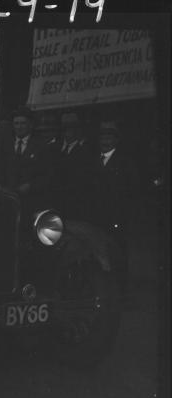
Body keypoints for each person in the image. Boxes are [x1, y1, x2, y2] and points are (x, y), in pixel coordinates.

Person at [90, 120, 139, 292]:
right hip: (96, 217)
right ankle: (102, 289)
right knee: (97, 252)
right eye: (103, 136)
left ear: (116, 140)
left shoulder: (125, 162)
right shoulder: (93, 160)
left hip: (116, 217)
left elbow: (131, 192)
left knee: (118, 253)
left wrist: (124, 215)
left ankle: (121, 289)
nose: (106, 140)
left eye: (109, 136)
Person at [5, 107, 51, 219]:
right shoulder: (5, 143)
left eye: (23, 123)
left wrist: (30, 185)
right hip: (8, 200)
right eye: (16, 123)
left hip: (31, 202)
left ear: (30, 125)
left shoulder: (41, 146)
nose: (19, 127)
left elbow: (47, 175)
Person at [52, 111, 94, 221]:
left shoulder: (85, 152)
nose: (68, 131)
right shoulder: (53, 149)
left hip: (74, 205)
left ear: (77, 129)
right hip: (54, 203)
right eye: (65, 127)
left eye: (72, 127)